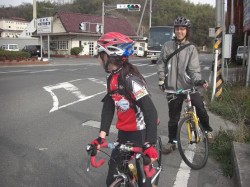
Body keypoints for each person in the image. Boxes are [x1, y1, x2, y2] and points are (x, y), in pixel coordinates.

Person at [88, 32, 158, 186]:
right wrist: (101, 137)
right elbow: (108, 106)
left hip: (141, 132)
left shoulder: (130, 80)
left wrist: (149, 144)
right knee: (112, 177)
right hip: (124, 132)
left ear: (108, 56)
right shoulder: (111, 77)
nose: (98, 59)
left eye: (99, 54)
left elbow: (151, 112)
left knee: (143, 180)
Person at [157, 16, 214, 155]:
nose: (179, 31)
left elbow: (194, 70)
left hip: (188, 86)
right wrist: (161, 79)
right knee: (173, 118)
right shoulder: (167, 46)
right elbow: (161, 63)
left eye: (182, 29)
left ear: (187, 31)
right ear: (174, 30)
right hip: (172, 88)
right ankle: (172, 142)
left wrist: (198, 81)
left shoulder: (191, 48)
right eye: (177, 28)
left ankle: (207, 130)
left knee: (200, 107)